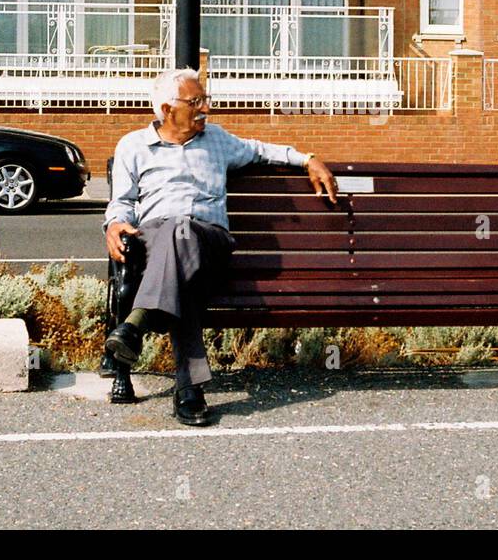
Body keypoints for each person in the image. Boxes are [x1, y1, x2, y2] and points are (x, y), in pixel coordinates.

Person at [103, 68, 338, 425]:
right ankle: (188, 389)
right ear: (167, 109)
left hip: (210, 242)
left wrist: (308, 158)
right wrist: (115, 223)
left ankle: (138, 323)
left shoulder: (217, 140)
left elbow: (260, 151)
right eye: (196, 101)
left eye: (205, 100)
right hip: (155, 242)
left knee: (183, 232)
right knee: (179, 254)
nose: (206, 109)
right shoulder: (133, 146)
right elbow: (121, 202)